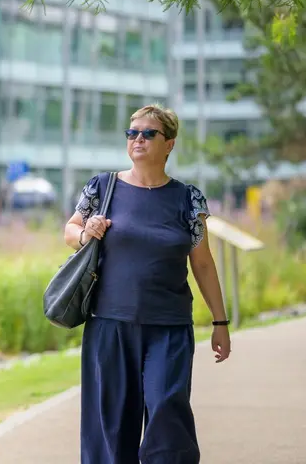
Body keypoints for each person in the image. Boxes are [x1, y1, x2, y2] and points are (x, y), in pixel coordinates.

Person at [63, 103, 231, 464]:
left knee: (168, 410)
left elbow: (202, 262)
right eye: (132, 132)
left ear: (168, 143)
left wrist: (220, 322)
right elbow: (70, 228)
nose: (137, 139)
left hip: (168, 327)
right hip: (109, 324)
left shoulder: (188, 199)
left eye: (148, 133)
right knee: (110, 426)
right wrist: (84, 233)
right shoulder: (102, 187)